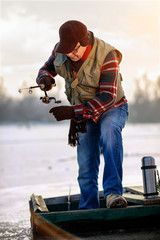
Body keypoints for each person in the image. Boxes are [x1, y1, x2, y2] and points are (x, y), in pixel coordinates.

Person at [36, 20, 128, 209]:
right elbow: (45, 69)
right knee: (86, 162)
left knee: (110, 131)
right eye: (67, 50)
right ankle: (88, 207)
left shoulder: (107, 55)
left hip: (112, 108)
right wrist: (44, 79)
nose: (71, 54)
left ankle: (113, 194)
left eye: (74, 49)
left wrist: (72, 111)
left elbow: (107, 97)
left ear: (85, 41)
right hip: (84, 113)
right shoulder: (61, 50)